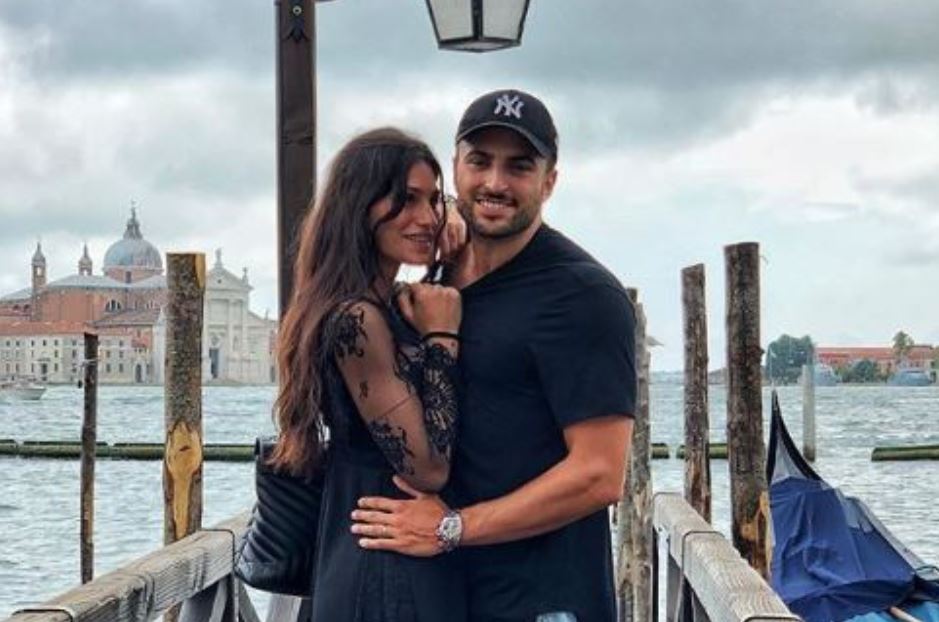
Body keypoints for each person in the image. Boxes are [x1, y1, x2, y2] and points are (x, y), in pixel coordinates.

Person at [351, 90, 637, 622]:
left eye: (519, 167)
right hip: (443, 595)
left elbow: (599, 473)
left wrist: (452, 527)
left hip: (543, 601)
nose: (495, 183)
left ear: (549, 182)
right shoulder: (440, 274)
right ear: (456, 168)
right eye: (480, 161)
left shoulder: (581, 295)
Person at [269, 127, 468, 621]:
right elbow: (428, 468)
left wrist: (454, 224)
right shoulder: (356, 319)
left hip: (392, 551)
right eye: (405, 200)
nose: (427, 218)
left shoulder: (381, 305)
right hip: (383, 567)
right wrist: (443, 337)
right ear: (360, 206)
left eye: (433, 200)